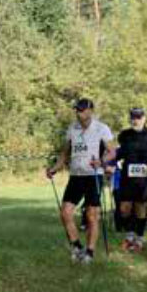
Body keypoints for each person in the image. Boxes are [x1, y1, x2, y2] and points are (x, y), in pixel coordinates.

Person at [45, 98, 116, 264]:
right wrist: (54, 168)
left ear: (91, 110)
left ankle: (89, 252)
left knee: (92, 216)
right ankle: (77, 246)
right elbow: (64, 154)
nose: (79, 113)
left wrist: (101, 161)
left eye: (82, 110)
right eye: (77, 110)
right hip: (76, 176)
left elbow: (112, 151)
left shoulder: (101, 128)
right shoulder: (72, 129)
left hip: (93, 176)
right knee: (65, 212)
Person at [114, 107, 147, 251]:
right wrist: (108, 163)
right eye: (133, 117)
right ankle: (129, 236)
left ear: (144, 118)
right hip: (127, 176)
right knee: (124, 208)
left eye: (139, 117)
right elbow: (119, 152)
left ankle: (139, 238)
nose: (136, 120)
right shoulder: (124, 135)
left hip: (143, 176)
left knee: (141, 208)